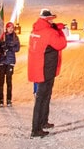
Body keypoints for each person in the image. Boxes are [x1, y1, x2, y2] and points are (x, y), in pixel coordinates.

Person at [28, 8, 67, 137]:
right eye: (51, 19)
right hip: (46, 68)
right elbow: (61, 44)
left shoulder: (36, 29)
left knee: (45, 96)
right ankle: (36, 129)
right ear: (47, 20)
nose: (52, 21)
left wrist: (56, 27)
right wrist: (61, 32)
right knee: (42, 98)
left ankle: (43, 122)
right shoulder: (48, 32)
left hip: (40, 67)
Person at [0, 22, 20, 106]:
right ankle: (1, 100)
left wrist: (9, 48)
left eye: (12, 28)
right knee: (1, 81)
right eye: (9, 28)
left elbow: (17, 48)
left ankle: (9, 99)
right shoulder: (2, 37)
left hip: (10, 61)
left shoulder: (15, 37)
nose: (11, 29)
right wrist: (2, 48)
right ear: (6, 28)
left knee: (9, 81)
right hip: (2, 61)